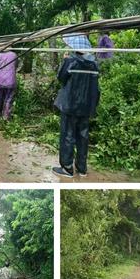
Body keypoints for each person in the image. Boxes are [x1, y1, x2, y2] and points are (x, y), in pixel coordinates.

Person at [53, 35, 100, 178]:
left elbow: (61, 78)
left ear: (74, 48)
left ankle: (67, 168)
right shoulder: (94, 65)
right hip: (86, 107)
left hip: (70, 106)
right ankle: (82, 168)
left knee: (68, 135)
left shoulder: (71, 62)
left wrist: (65, 60)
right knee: (83, 137)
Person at [0, 50, 18, 122]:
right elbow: (16, 66)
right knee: (8, 100)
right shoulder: (14, 54)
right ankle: (5, 118)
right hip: (10, 80)